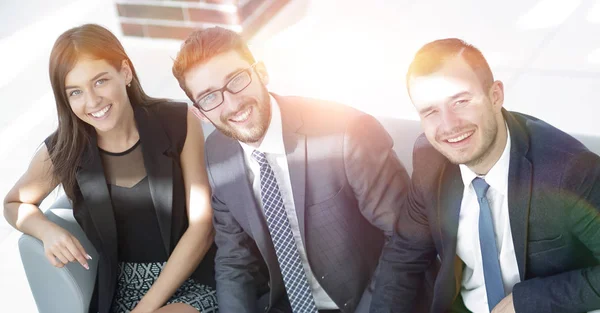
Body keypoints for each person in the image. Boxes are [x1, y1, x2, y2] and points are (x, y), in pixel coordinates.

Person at [171, 27, 414, 313]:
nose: (233, 104)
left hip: (370, 302)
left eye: (237, 80)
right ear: (200, 113)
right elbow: (235, 259)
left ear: (261, 72)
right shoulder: (216, 153)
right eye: (210, 97)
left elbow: (405, 239)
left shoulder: (346, 132)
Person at [370, 38, 600, 313]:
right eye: (431, 111)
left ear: (495, 96)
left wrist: (528, 302)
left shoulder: (569, 170)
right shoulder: (430, 158)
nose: (449, 126)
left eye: (461, 101)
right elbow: (404, 256)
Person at [3, 24, 218, 313]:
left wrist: (144, 309)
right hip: (123, 290)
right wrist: (45, 230)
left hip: (197, 275)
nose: (92, 101)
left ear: (125, 73)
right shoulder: (64, 150)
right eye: (75, 92)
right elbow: (14, 203)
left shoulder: (178, 121)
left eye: (100, 81)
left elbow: (202, 226)